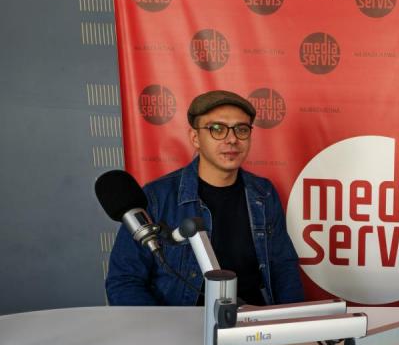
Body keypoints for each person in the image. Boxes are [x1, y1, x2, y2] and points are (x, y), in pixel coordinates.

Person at [106, 90, 304, 306]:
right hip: (182, 321)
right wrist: (161, 326)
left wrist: (289, 320)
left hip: (253, 319)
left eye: (241, 129)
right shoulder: (156, 197)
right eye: (217, 129)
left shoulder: (263, 193)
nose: (232, 139)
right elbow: (124, 281)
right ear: (195, 138)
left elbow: (284, 267)